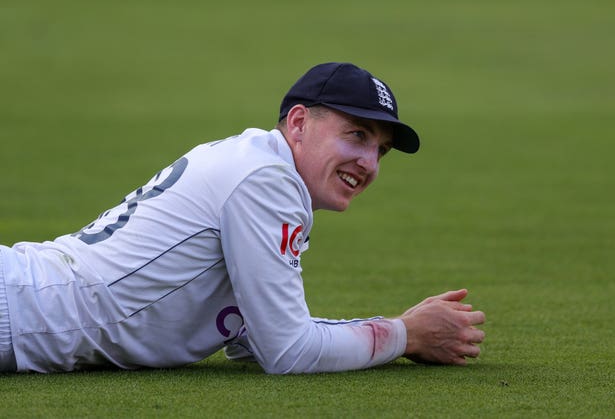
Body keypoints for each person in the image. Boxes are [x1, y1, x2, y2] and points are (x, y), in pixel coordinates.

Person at [0, 62, 485, 373]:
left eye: (380, 150)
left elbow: (257, 338)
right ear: (298, 123)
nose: (370, 163)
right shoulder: (265, 181)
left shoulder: (259, 165)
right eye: (356, 135)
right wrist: (404, 334)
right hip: (16, 308)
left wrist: (398, 329)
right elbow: (288, 351)